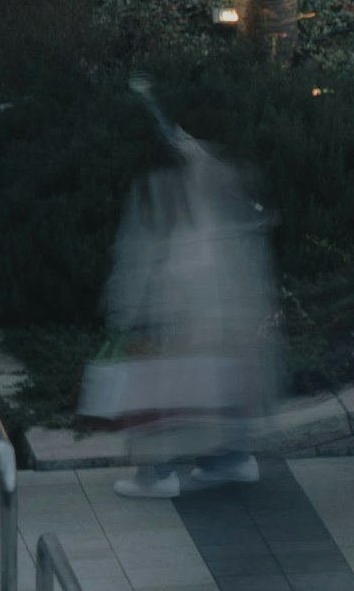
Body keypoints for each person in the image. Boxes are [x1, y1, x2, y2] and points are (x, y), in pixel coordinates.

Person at [96, 122, 278, 499]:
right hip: (222, 312)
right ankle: (231, 459)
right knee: (216, 388)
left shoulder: (156, 191)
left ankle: (156, 474)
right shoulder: (210, 179)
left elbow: (137, 260)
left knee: (159, 393)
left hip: (174, 313)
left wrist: (123, 313)